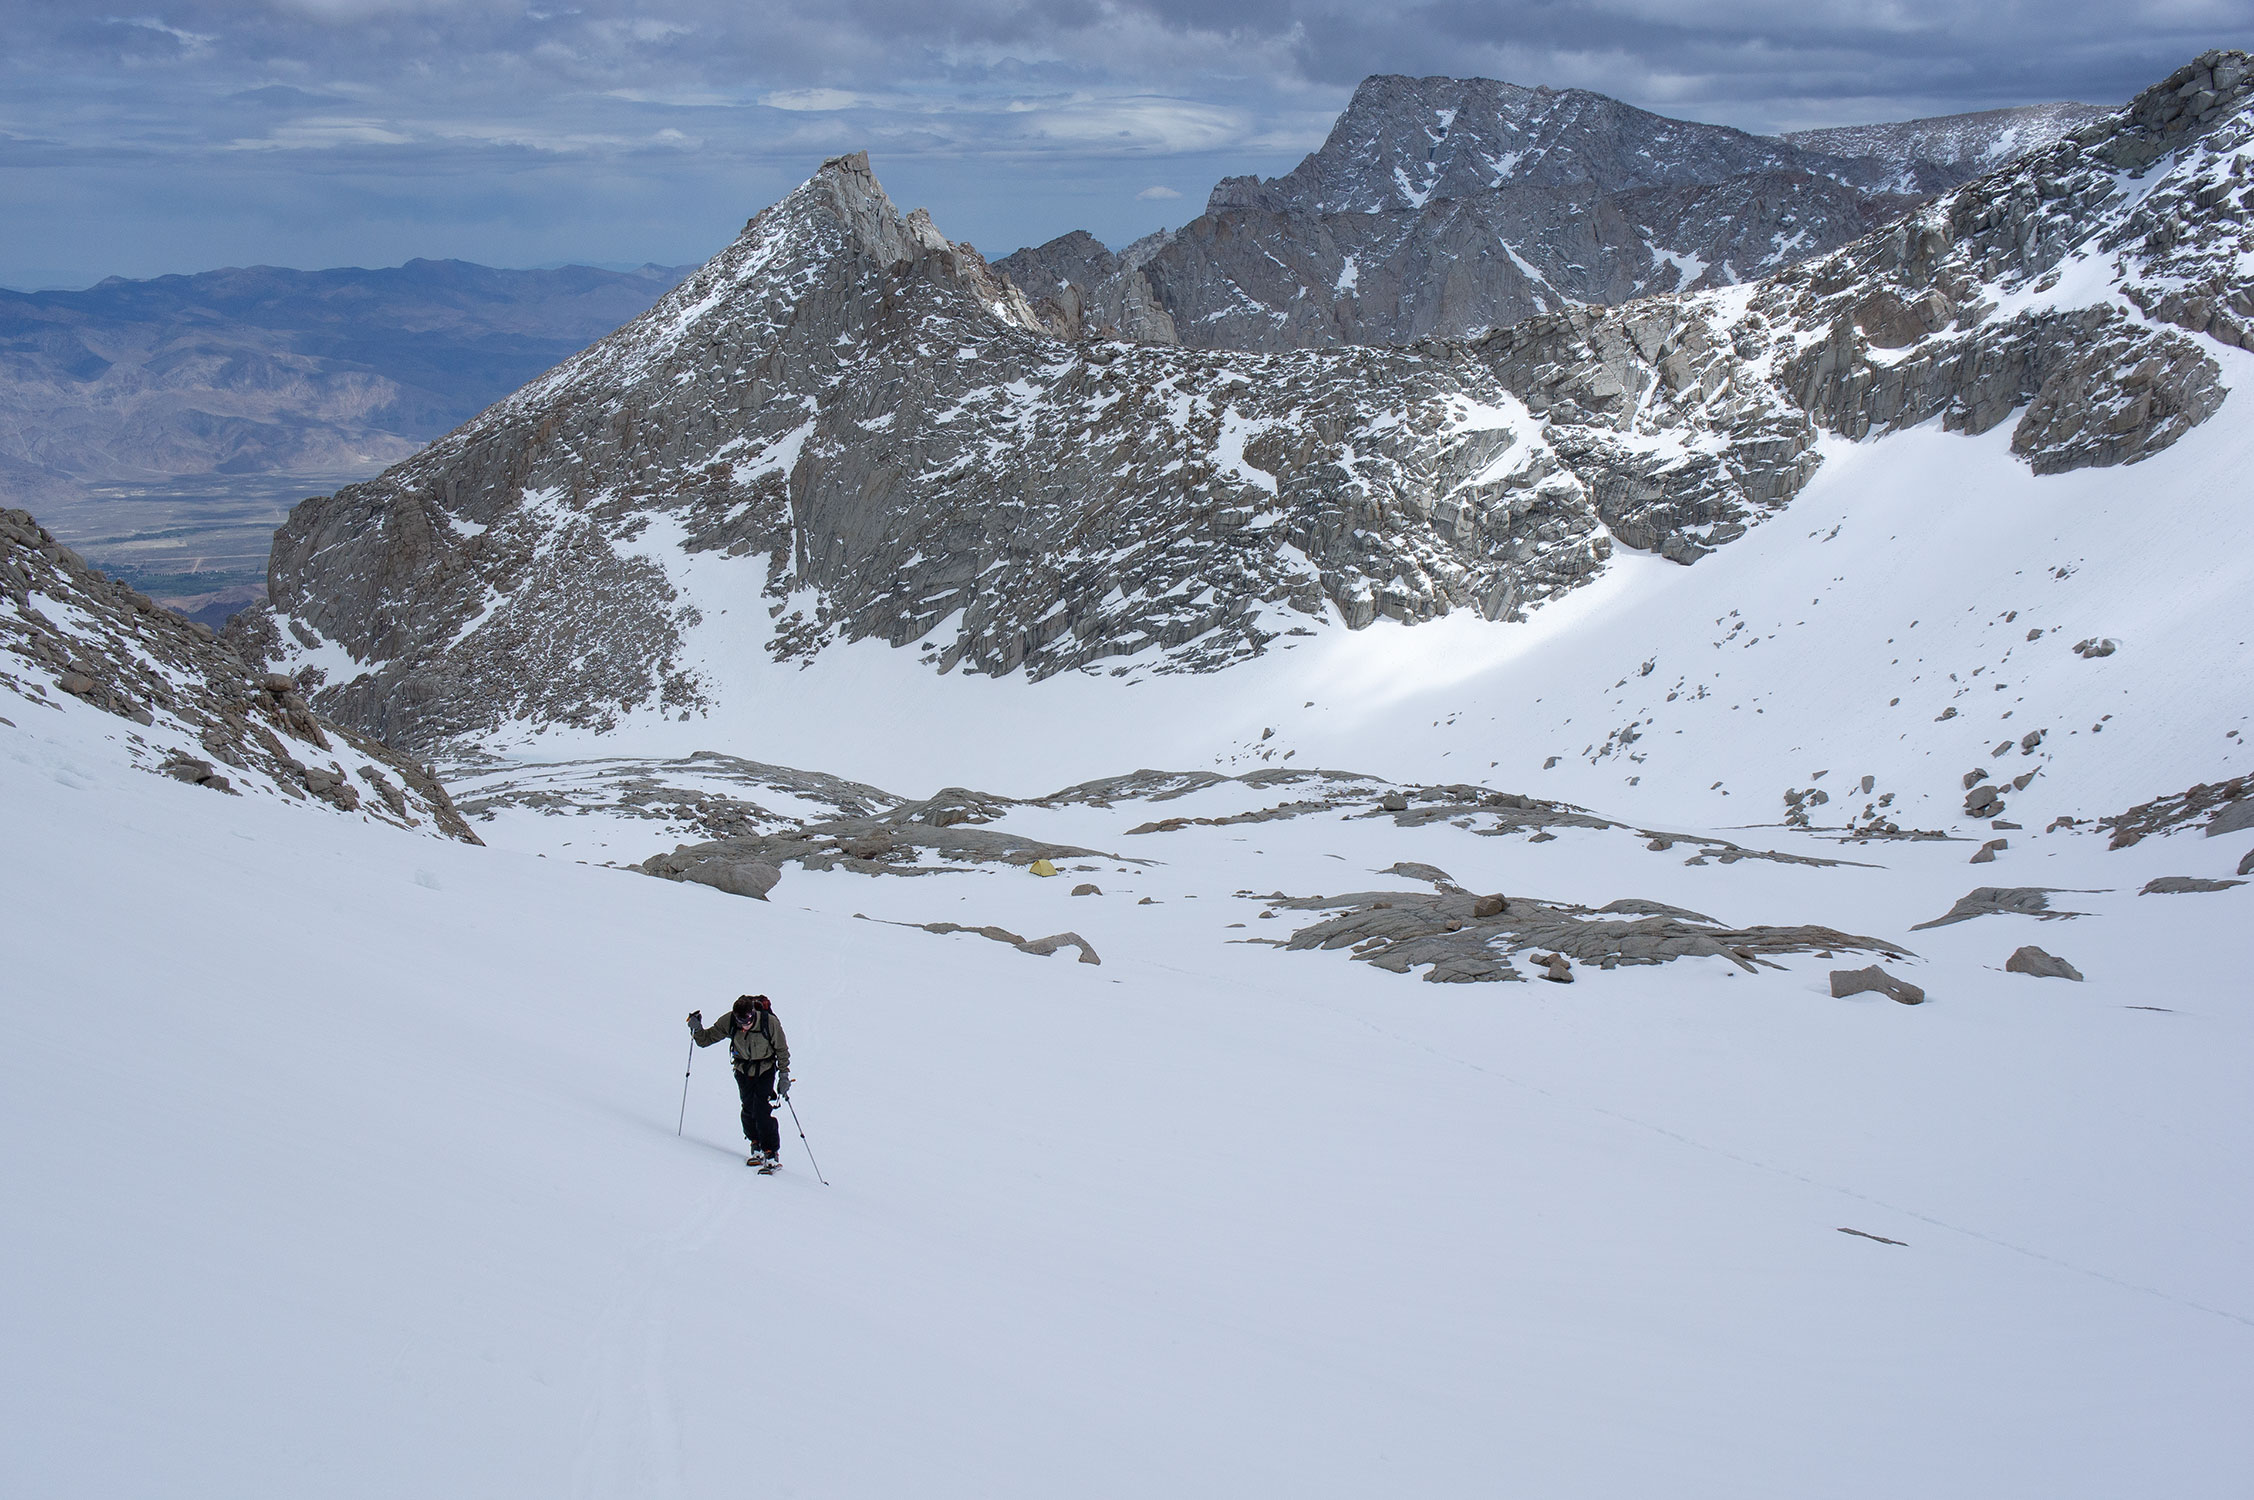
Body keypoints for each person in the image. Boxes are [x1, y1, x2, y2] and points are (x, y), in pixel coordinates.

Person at [688, 994, 793, 1170]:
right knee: (748, 1107)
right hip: (742, 1070)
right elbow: (706, 1040)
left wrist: (784, 1076)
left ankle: (771, 1152)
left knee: (761, 1109)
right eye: (740, 1020)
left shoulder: (769, 1023)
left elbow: (782, 1050)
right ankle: (755, 1144)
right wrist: (696, 1028)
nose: (743, 1025)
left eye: (747, 1020)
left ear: (753, 1013)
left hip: (765, 1069)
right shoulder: (729, 1021)